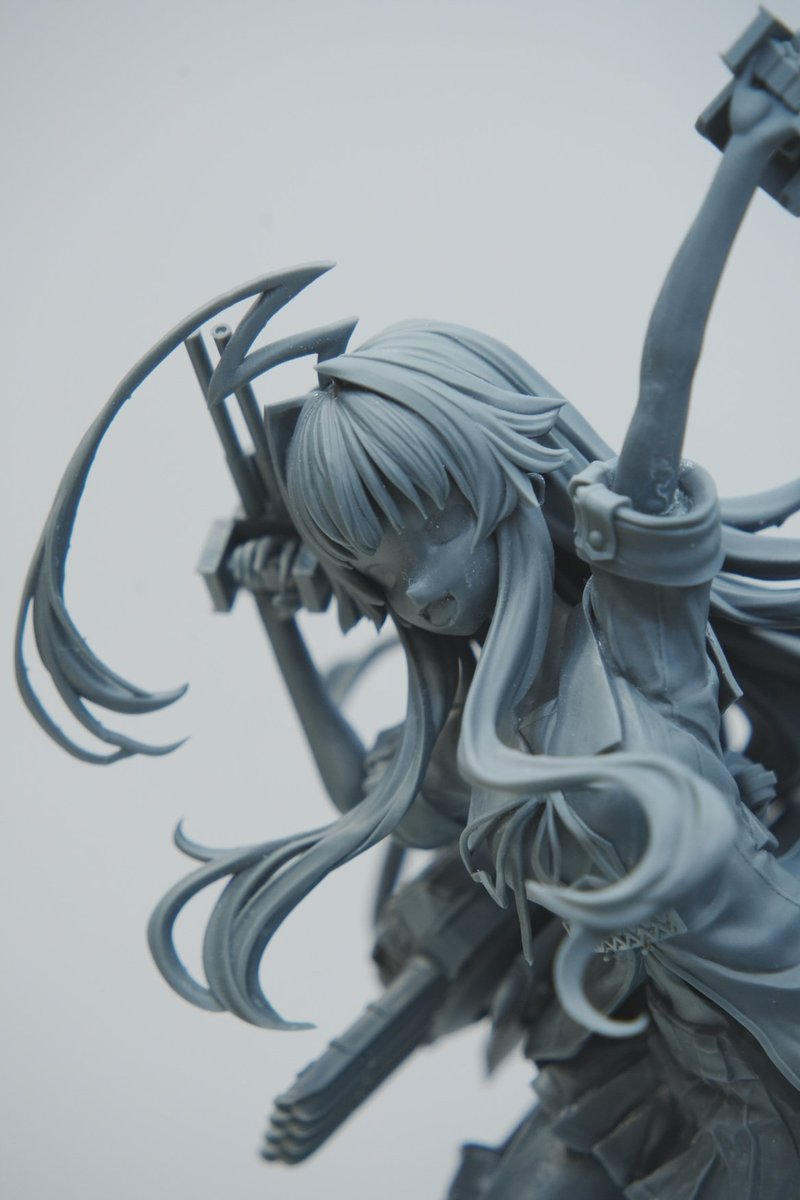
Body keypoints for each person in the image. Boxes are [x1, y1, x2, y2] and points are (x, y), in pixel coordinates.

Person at [16, 38, 800, 1200]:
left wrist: (745, 155)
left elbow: (659, 382)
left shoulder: (632, 632)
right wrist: (277, 624)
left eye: (434, 527)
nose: (421, 586)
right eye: (382, 574)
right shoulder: (489, 736)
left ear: (498, 474)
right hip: (696, 1070)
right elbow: (363, 790)